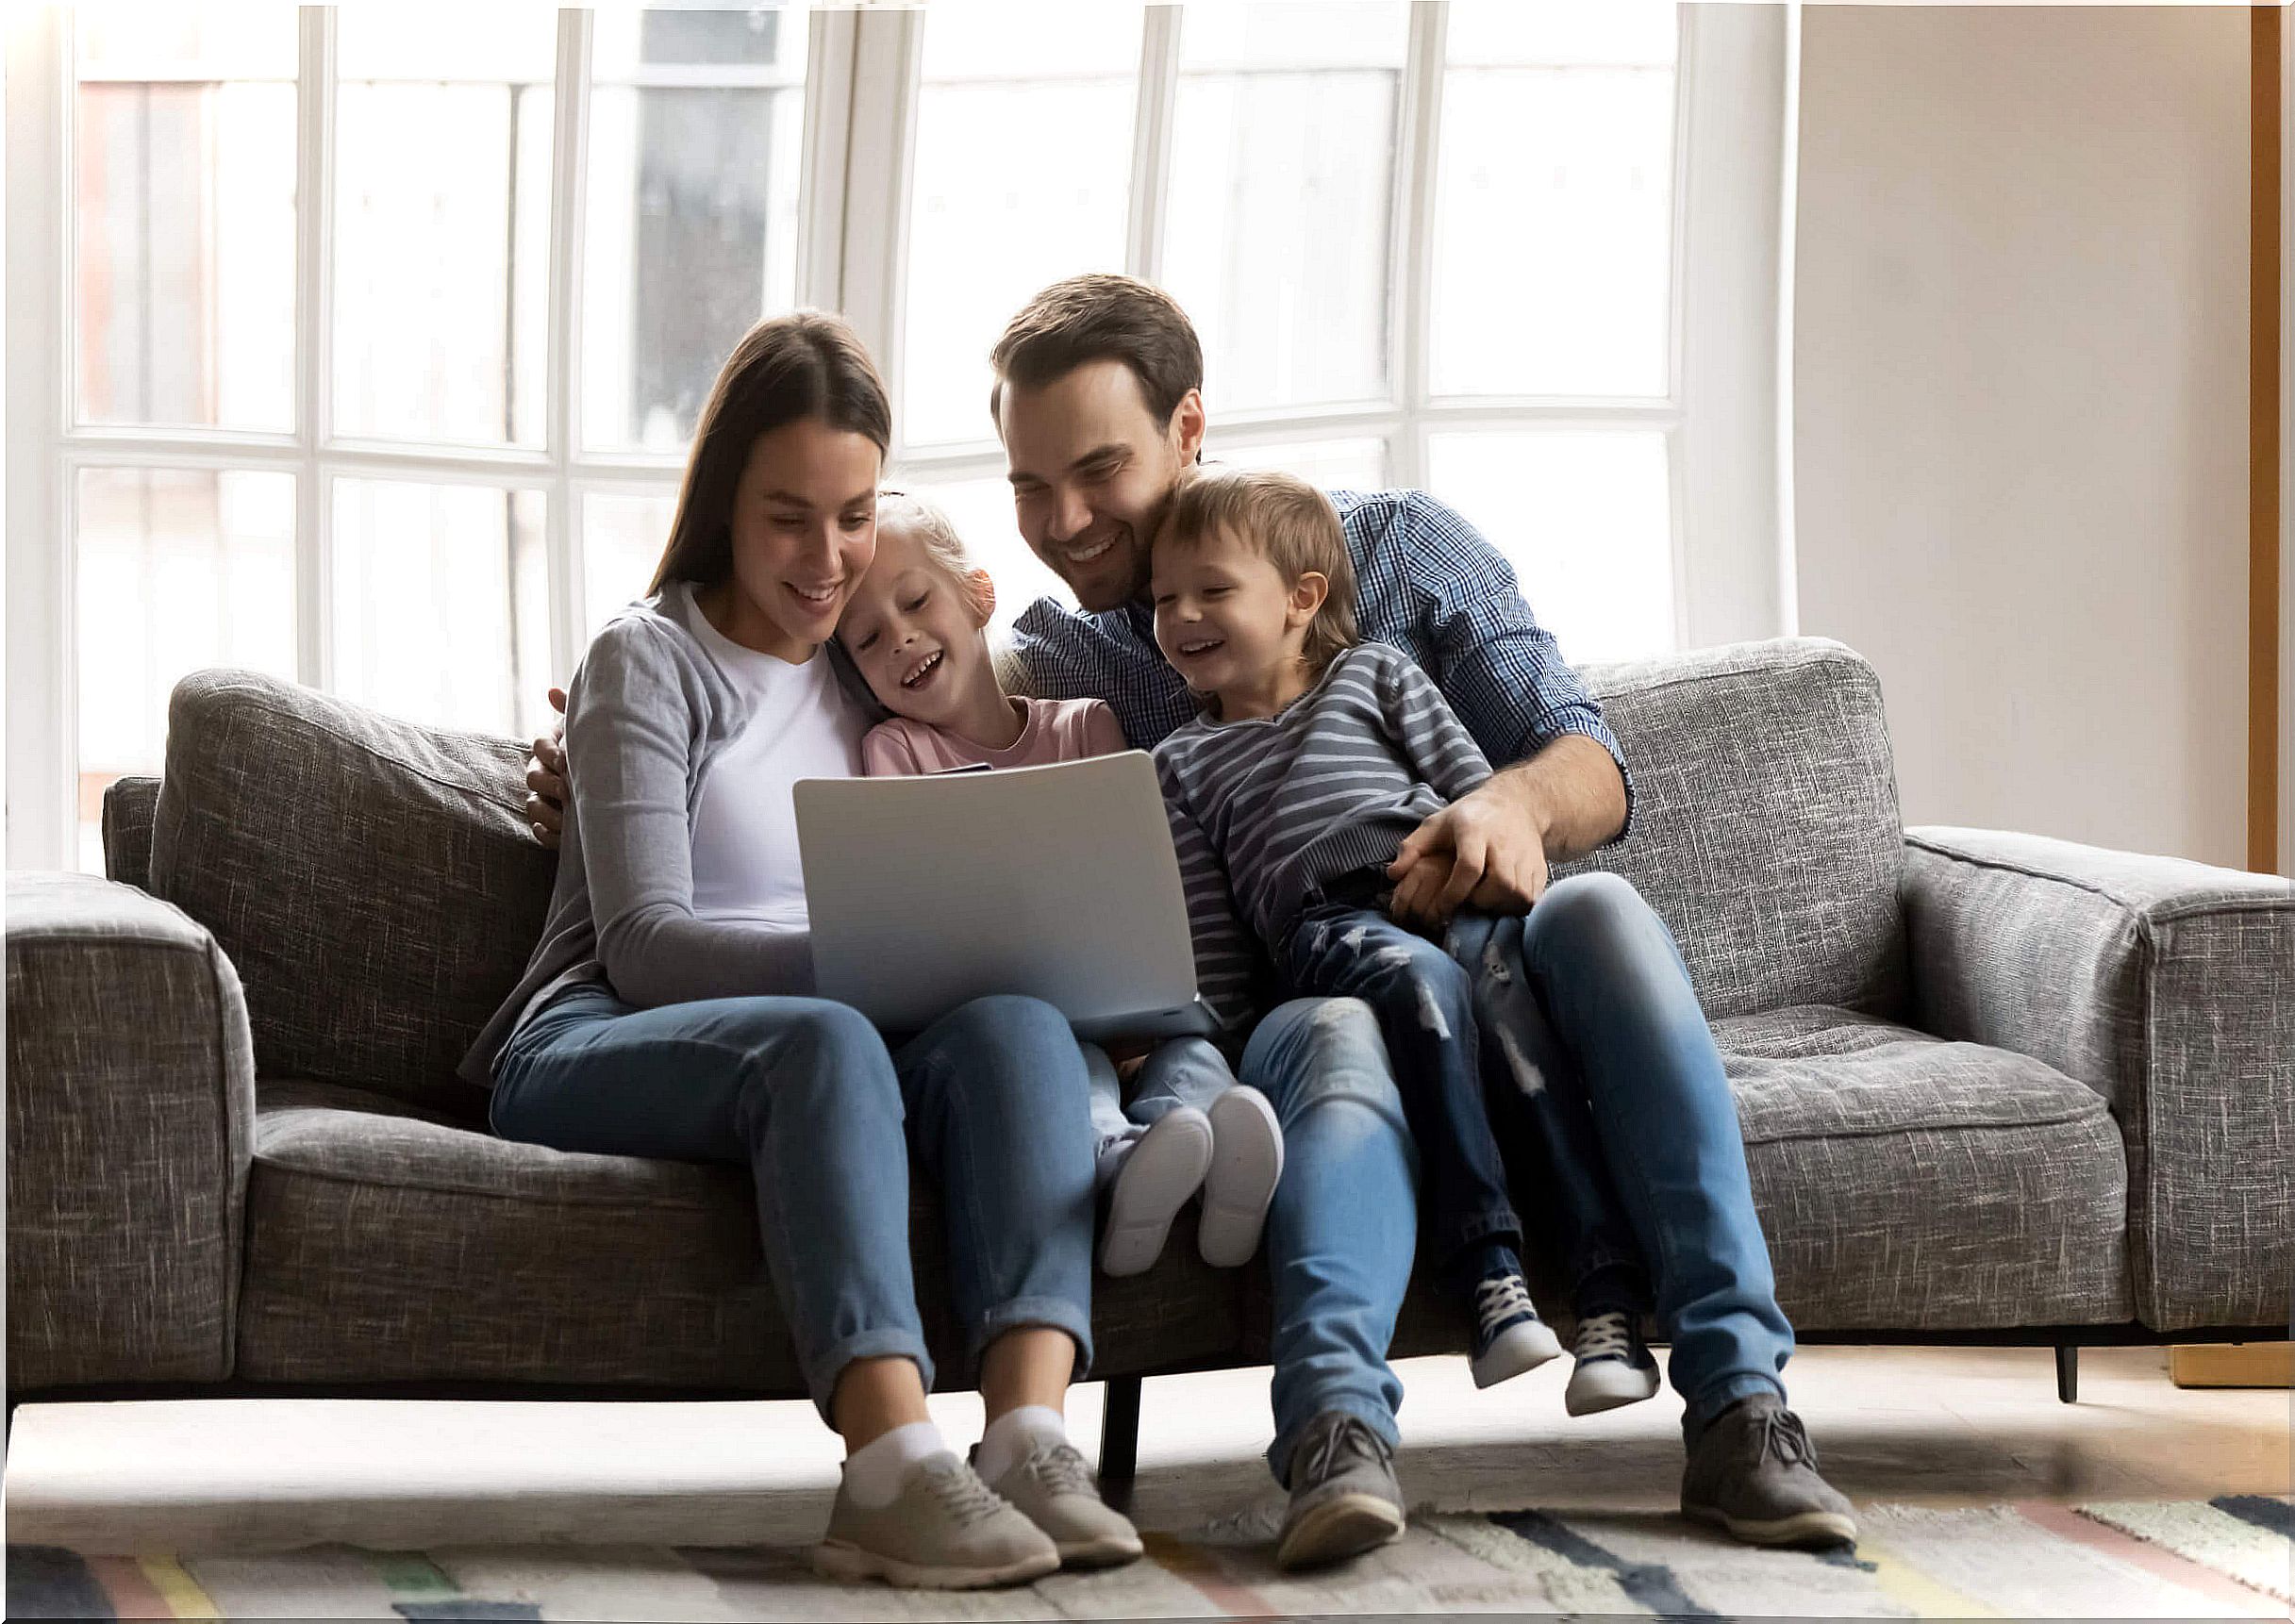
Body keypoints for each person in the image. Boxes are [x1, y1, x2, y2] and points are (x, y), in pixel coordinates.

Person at [529, 275, 1859, 1563]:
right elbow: (860, 676)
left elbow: (1589, 760)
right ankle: (1334, 1430)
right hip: (1291, 997)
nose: (1066, 520)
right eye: (1030, 488)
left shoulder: (1400, 551)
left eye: (1096, 471)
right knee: (1314, 1028)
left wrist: (1510, 807)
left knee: (1603, 915)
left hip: (1485, 937)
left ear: (1187, 428)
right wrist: (594, 762)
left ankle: (1743, 1404)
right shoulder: (1065, 651)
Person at [473, 311, 1140, 1590]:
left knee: (1016, 1024)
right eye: (790, 516)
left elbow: (1011, 706)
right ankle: (887, 1469)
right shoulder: (646, 659)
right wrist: (878, 960)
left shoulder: (866, 672)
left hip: (838, 1033)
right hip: (592, 1032)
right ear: (724, 499)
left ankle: (1027, 1436)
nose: (829, 557)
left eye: (852, 513)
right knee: (831, 1037)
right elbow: (647, 947)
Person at [1145, 463, 1672, 1415]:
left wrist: (1481, 884)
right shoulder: (1180, 759)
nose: (1182, 615)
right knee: (1424, 991)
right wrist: (1219, 1040)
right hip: (1325, 931)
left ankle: (1609, 1309)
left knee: (1526, 1052)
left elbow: (1481, 806)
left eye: (1212, 590)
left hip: (1448, 895)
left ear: (1302, 599)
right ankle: (1490, 1277)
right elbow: (1216, 933)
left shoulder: (1377, 674)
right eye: (1164, 598)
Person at [835, 489, 1286, 1280]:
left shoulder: (1084, 725)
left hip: (1129, 1007)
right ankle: (1124, 1161)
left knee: (1192, 1052)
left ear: (978, 596)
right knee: (1068, 1070)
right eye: (868, 639)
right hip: (1029, 1027)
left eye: (914, 602)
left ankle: (1210, 1160)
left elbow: (1127, 878)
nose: (900, 638)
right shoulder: (893, 749)